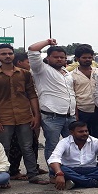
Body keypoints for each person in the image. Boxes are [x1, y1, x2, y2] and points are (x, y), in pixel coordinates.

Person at [0, 43, 42, 184]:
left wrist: (36, 115)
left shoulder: (24, 74)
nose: (8, 56)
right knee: (4, 148)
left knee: (27, 147)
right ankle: (3, 177)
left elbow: (32, 95)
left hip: (24, 116)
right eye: (4, 54)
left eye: (10, 53)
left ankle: (33, 175)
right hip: (4, 118)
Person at [28, 39, 77, 168]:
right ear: (48, 57)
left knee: (72, 144)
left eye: (62, 57)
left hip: (70, 116)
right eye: (56, 57)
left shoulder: (67, 73)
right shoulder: (41, 70)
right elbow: (32, 49)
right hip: (52, 116)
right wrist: (48, 42)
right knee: (52, 146)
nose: (59, 59)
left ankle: (70, 170)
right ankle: (54, 173)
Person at [47, 121, 98, 190]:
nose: (85, 133)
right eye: (81, 132)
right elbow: (54, 158)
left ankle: (76, 182)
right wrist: (59, 173)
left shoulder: (95, 141)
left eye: (86, 131)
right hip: (71, 170)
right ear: (72, 132)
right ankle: (94, 183)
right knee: (56, 168)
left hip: (91, 170)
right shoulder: (64, 142)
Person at [72, 45, 98, 141]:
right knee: (83, 138)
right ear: (77, 59)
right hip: (82, 111)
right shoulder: (72, 75)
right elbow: (72, 96)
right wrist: (76, 115)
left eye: (90, 57)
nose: (87, 60)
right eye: (84, 58)